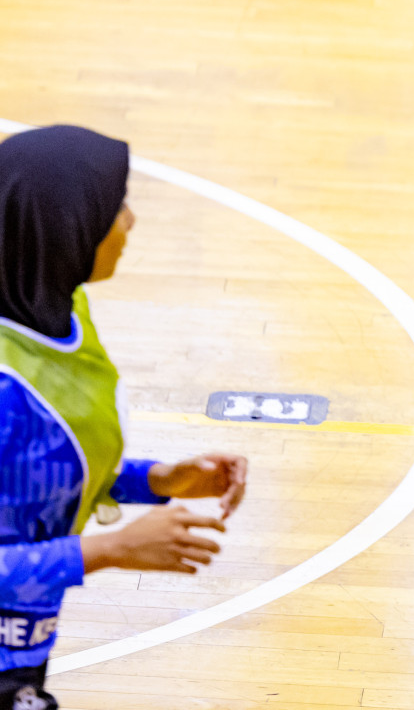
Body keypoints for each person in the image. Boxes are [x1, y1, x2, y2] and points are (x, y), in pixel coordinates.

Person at [0, 126, 247, 710]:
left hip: (22, 652)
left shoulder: (60, 317)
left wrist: (156, 480)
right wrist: (109, 550)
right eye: (114, 208)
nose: (129, 221)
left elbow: (29, 483)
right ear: (65, 229)